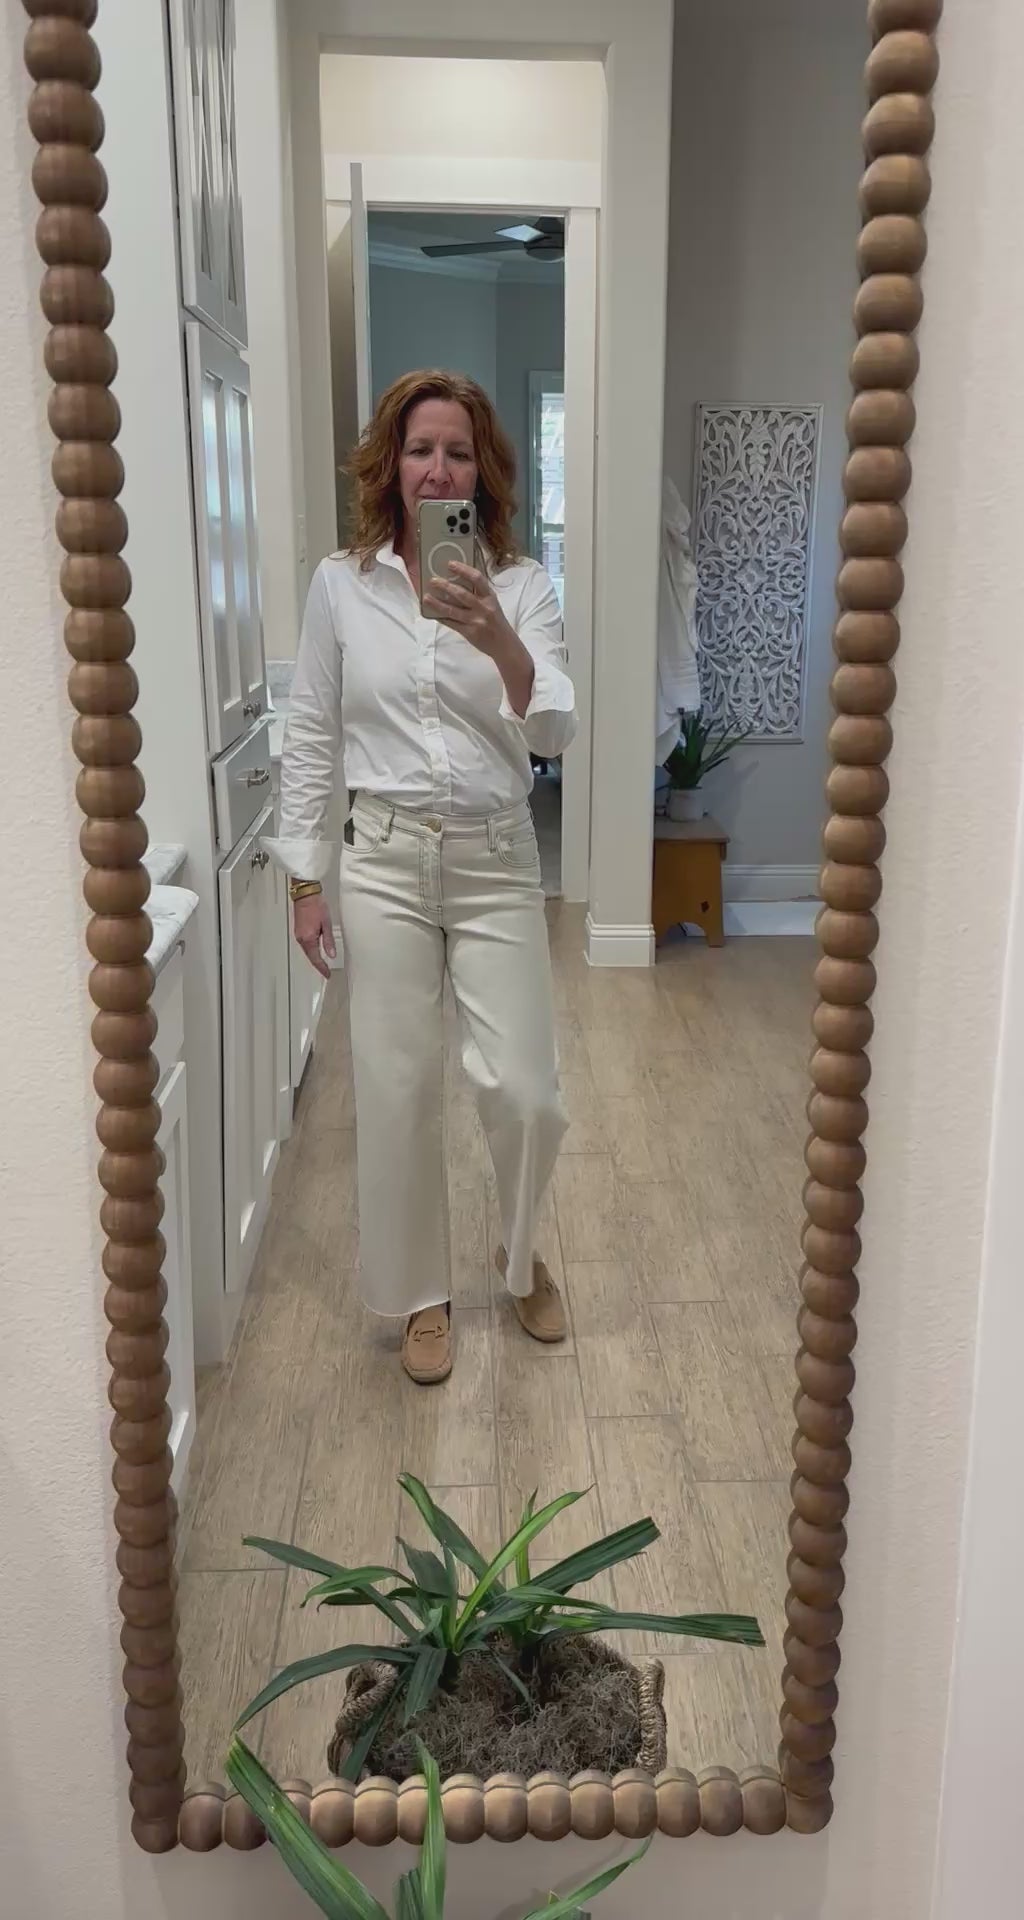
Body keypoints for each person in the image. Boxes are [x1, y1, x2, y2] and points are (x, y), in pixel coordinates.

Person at [269, 370, 576, 1384]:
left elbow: (555, 731)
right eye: (418, 450)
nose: (436, 468)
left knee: (525, 1092)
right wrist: (304, 879)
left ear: (482, 471)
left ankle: (520, 1257)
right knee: (397, 1090)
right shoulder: (340, 586)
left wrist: (497, 637)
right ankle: (419, 1296)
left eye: (455, 451)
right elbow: (312, 730)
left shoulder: (522, 585)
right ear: (389, 467)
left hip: (496, 858)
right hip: (385, 861)